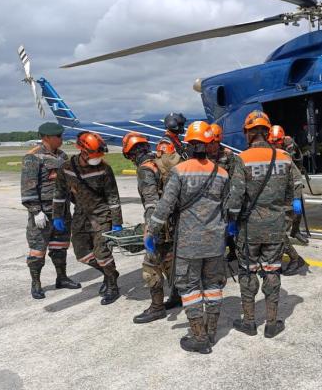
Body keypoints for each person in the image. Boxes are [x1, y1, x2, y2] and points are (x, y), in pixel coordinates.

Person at [145, 121, 229, 354]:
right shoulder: (222, 173)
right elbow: (228, 207)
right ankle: (211, 332)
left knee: (189, 287)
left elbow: (165, 206)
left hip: (189, 244)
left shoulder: (180, 171)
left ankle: (198, 336)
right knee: (213, 286)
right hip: (215, 242)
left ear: (189, 144)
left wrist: (152, 231)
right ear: (210, 143)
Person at [227, 111, 300, 338]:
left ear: (248, 133)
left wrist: (231, 223)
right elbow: (294, 186)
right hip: (276, 227)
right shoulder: (284, 157)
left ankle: (249, 322)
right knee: (272, 270)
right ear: (267, 132)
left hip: (249, 229)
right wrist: (292, 206)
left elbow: (236, 197)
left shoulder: (242, 159)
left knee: (247, 272)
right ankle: (271, 323)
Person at [53, 131, 123, 305]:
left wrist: (117, 222)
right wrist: (57, 215)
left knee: (102, 253)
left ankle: (113, 286)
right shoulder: (66, 168)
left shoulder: (104, 169)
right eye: (94, 155)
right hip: (81, 215)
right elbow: (60, 193)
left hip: (102, 215)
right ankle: (110, 273)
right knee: (82, 254)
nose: (97, 158)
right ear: (82, 151)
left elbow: (113, 197)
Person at [20, 122, 81, 299]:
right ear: (46, 137)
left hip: (61, 211)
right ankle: (36, 283)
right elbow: (28, 187)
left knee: (60, 246)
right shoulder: (33, 157)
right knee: (38, 249)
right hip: (43, 213)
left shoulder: (62, 156)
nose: (61, 139)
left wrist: (78, 202)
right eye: (58, 137)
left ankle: (61, 277)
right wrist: (35, 210)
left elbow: (70, 183)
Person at [122, 132, 174, 323]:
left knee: (150, 266)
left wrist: (149, 230)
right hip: (174, 222)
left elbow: (151, 204)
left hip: (160, 224)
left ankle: (157, 307)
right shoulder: (160, 162)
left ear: (130, 154)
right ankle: (176, 296)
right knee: (169, 260)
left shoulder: (145, 169)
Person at [268, 125, 308, 276]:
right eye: (272, 142)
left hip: (288, 202)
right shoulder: (272, 154)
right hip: (276, 201)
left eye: (277, 142)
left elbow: (297, 180)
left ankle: (295, 259)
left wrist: (297, 201)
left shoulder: (285, 155)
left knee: (277, 233)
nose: (275, 144)